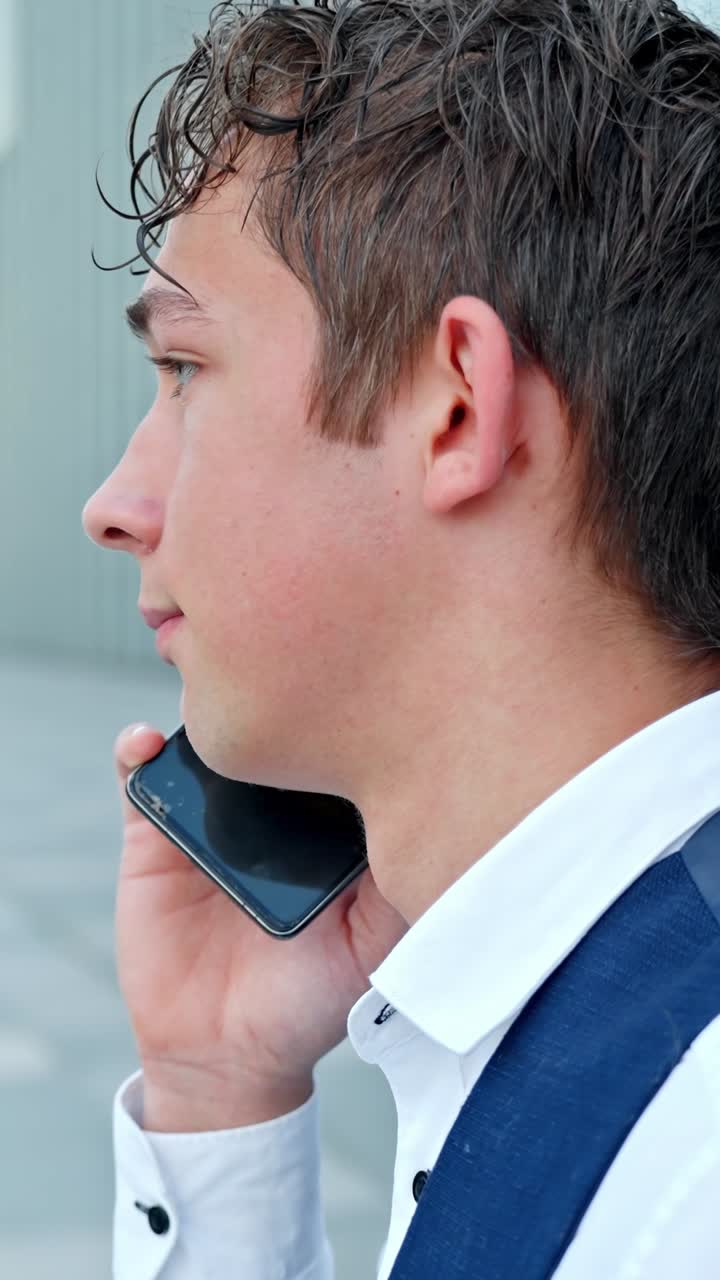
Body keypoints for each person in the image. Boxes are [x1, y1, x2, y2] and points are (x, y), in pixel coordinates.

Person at [81, 0, 720, 1276]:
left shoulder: (680, 1178)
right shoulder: (610, 1017)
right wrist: (219, 1092)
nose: (114, 506)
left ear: (455, 409)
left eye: (189, 370)